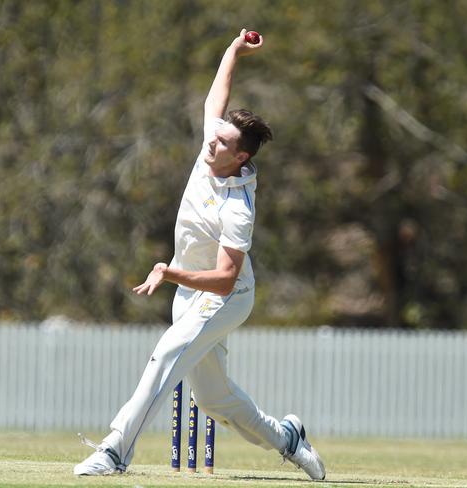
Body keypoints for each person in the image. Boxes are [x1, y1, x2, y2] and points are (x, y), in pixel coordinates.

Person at [73, 29, 325, 481]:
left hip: (227, 295)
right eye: (214, 136)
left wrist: (171, 272)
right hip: (192, 291)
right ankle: (289, 437)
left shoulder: (238, 209)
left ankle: (114, 451)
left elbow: (226, 278)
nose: (210, 143)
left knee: (167, 353)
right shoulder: (214, 145)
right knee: (214, 399)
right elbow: (217, 98)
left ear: (241, 156)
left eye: (222, 143)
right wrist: (233, 51)